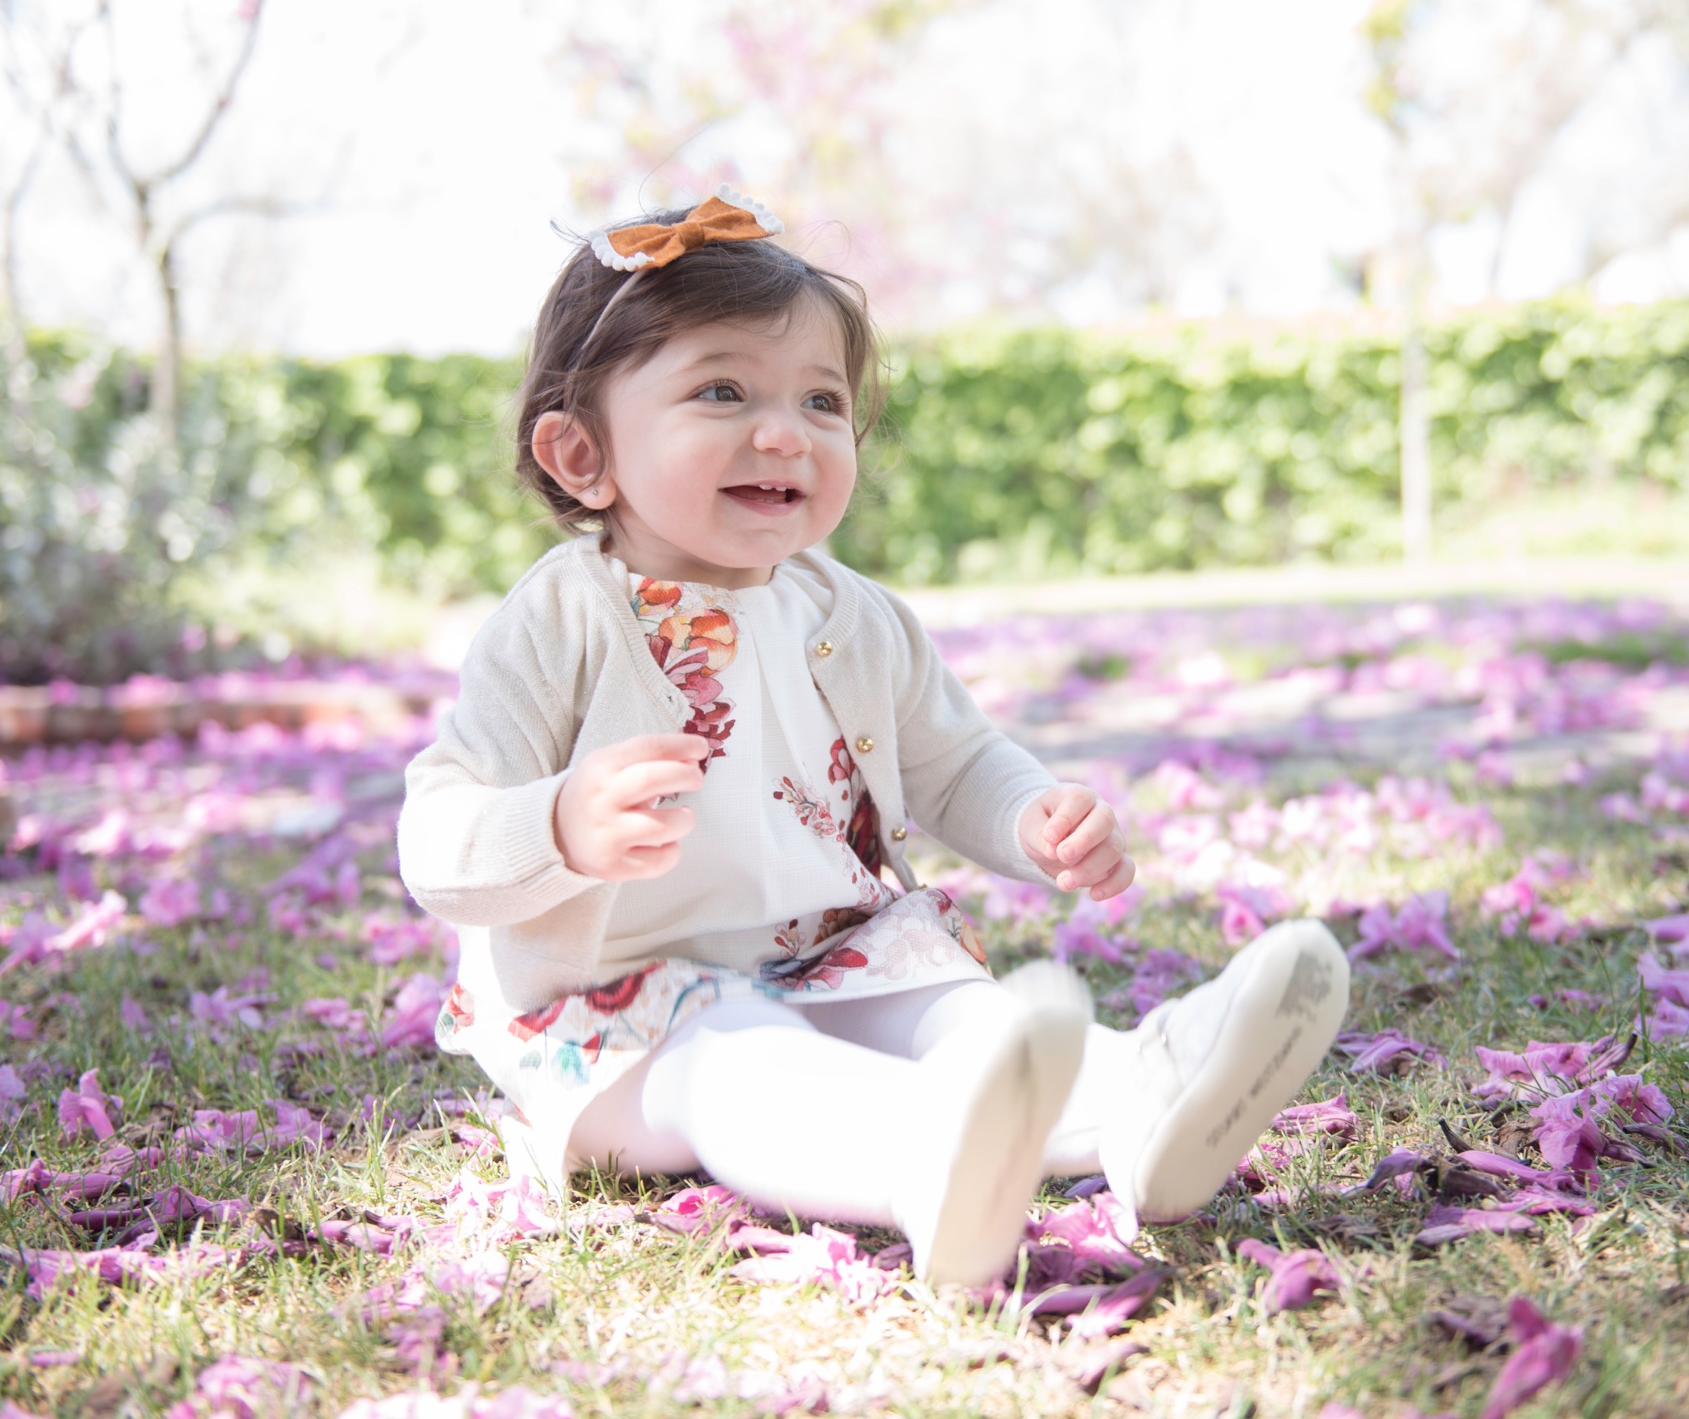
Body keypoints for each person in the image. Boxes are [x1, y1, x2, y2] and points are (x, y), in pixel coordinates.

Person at [396, 189, 1350, 1286]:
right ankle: (925, 1164)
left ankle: (1144, 1099)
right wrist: (556, 825)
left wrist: (1029, 814)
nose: (784, 432)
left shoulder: (851, 614)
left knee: (958, 1012)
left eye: (821, 400)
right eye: (721, 390)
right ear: (581, 454)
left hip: (829, 959)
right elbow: (440, 830)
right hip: (620, 1021)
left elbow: (955, 759)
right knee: (736, 1058)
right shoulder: (562, 620)